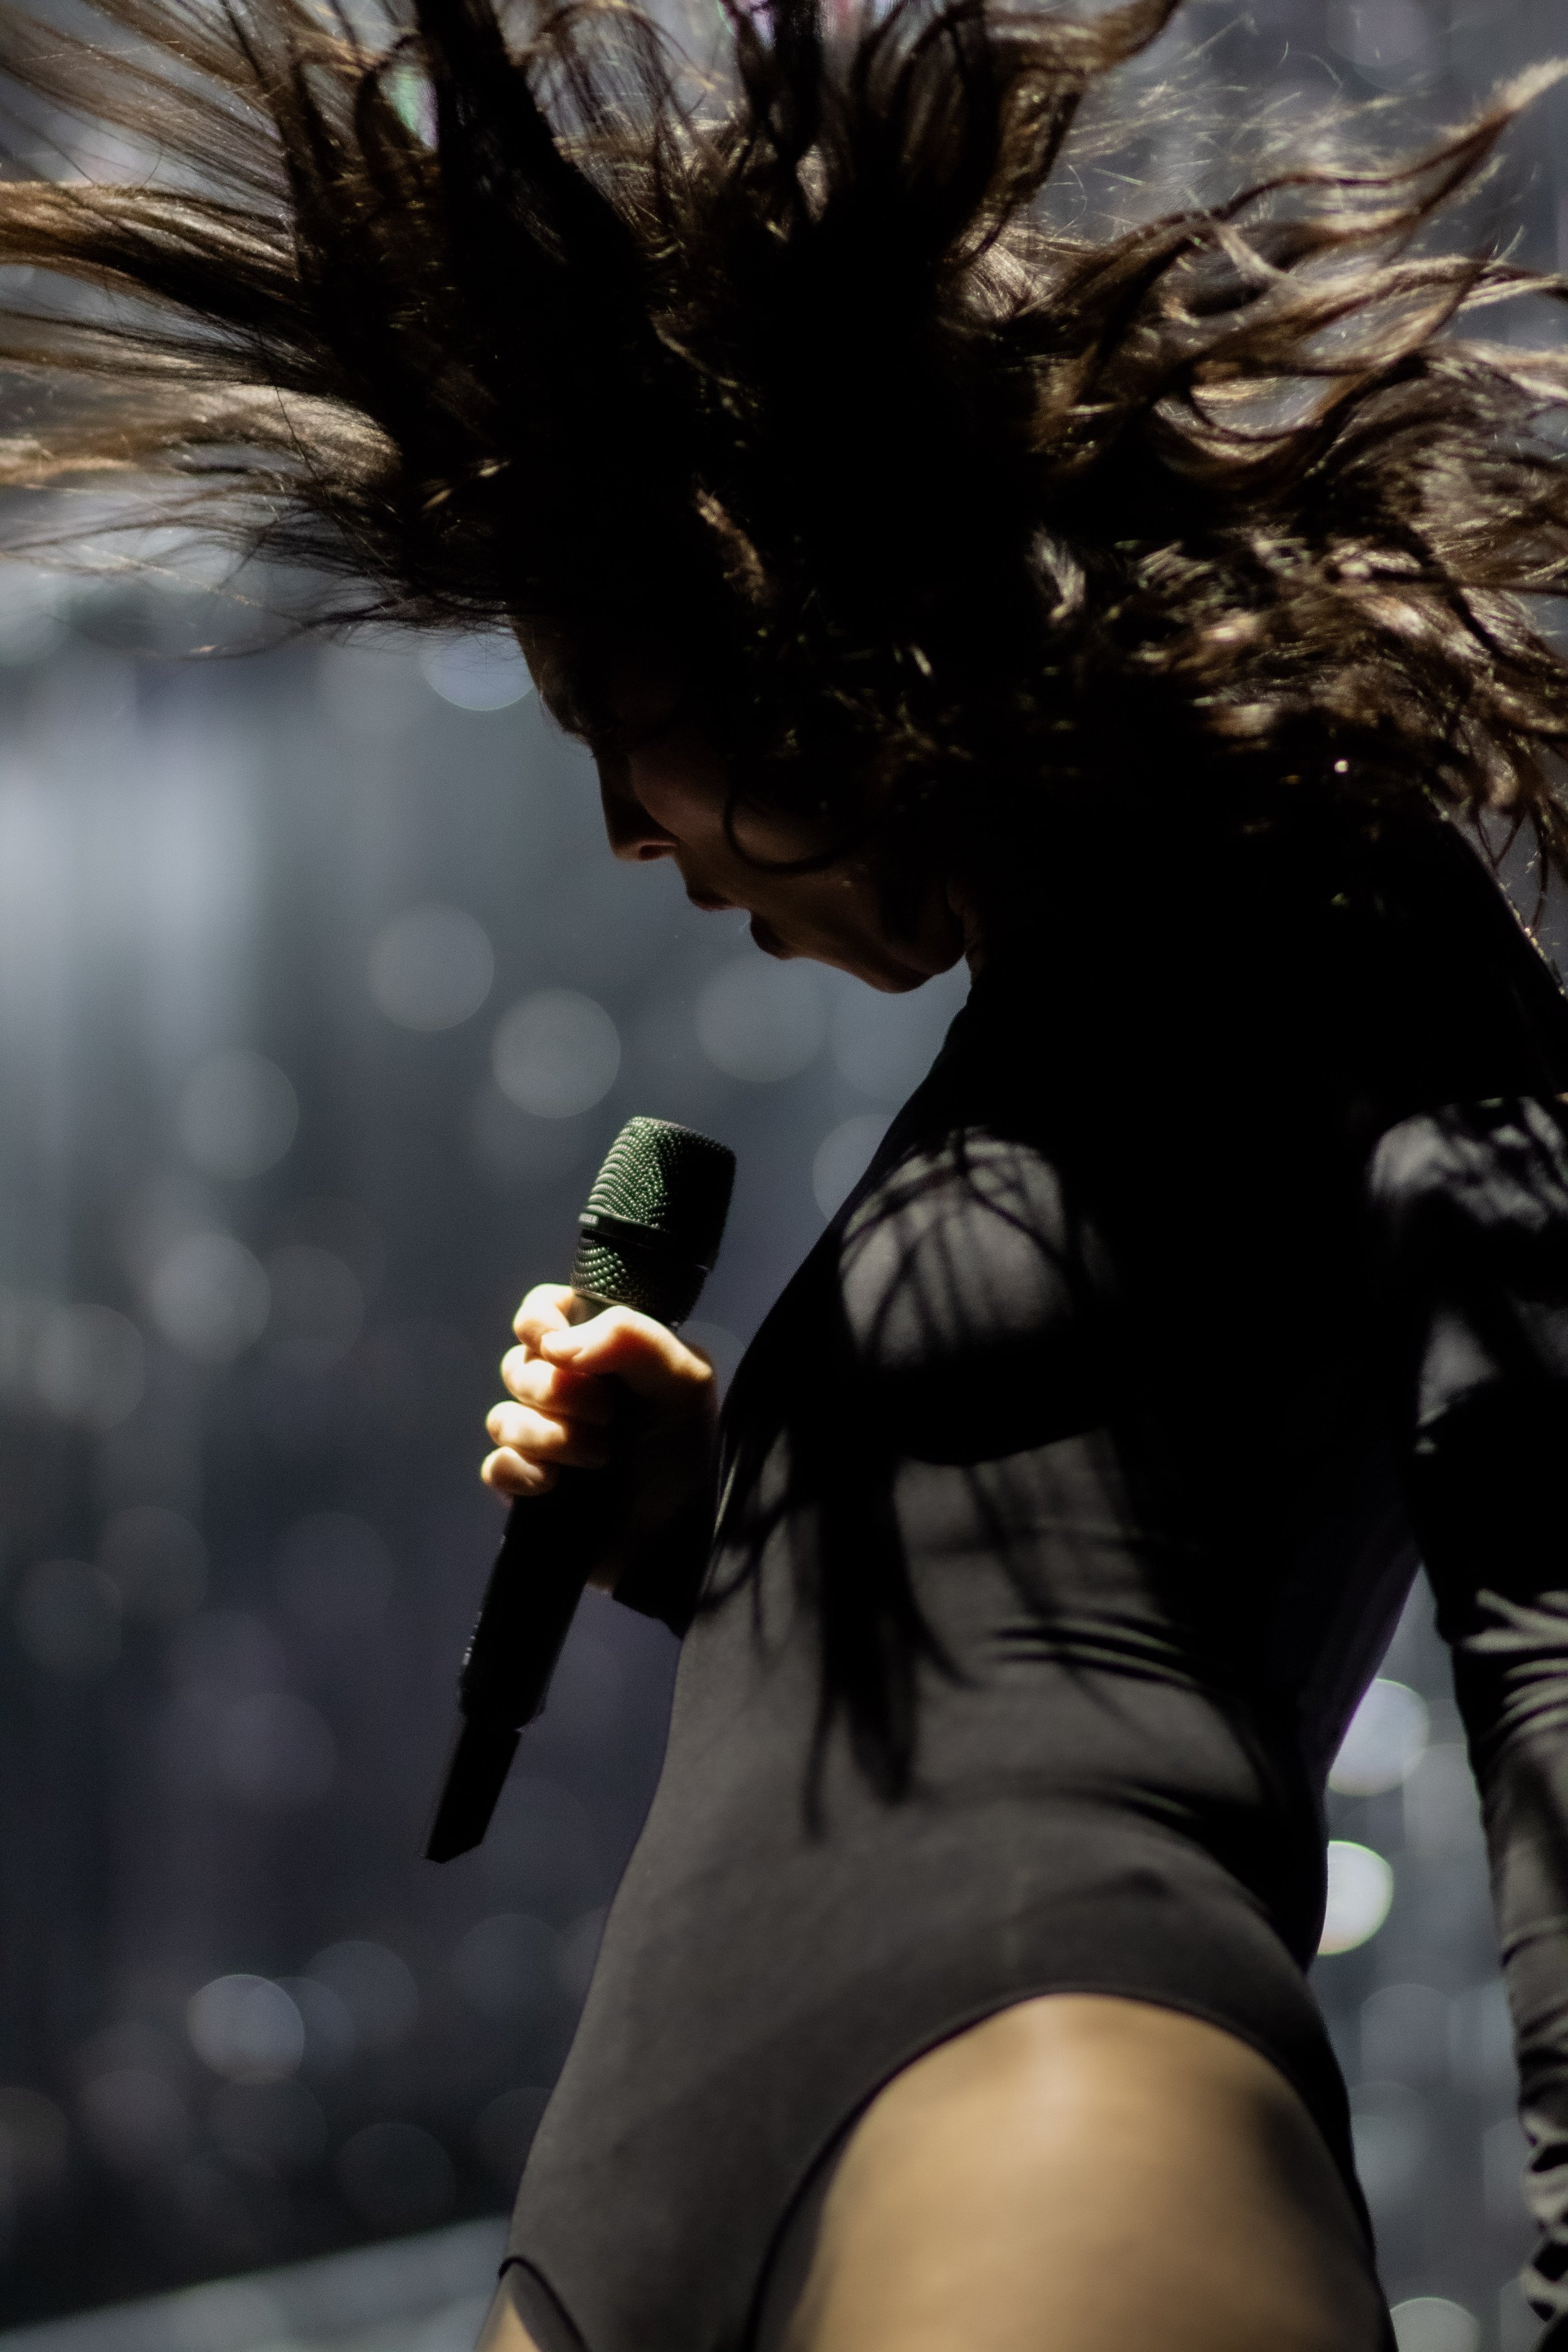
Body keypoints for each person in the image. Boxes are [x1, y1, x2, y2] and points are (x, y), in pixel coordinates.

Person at [4, 0, 1568, 2341]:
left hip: (1029, 2084)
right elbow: (1057, 1563)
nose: (627, 830)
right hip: (634, 2178)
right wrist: (711, 1523)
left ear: (783, 615)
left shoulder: (1327, 896)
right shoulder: (1011, 1088)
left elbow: (1544, 1600)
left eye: (610, 729)